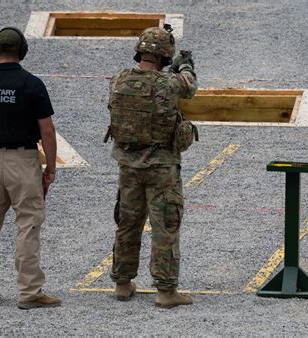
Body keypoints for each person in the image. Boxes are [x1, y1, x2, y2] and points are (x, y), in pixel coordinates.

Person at [0, 27, 61, 309]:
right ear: (23, 52)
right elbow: (47, 131)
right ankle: (29, 293)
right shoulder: (32, 84)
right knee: (28, 226)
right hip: (23, 160)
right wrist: (50, 169)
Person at [106, 25, 197, 308]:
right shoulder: (169, 84)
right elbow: (188, 86)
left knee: (128, 223)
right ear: (165, 57)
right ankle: (166, 291)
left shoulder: (118, 79)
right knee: (165, 226)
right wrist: (186, 66)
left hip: (128, 166)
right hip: (162, 167)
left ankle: (122, 283)